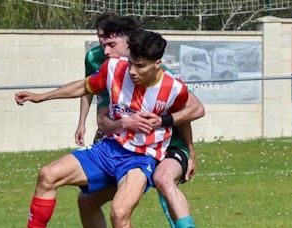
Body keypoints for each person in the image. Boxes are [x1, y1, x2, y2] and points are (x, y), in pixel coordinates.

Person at [15, 29, 191, 228]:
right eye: (131, 62)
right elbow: (83, 87)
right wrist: (41, 97)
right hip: (108, 148)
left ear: (157, 64)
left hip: (141, 158)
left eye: (140, 66)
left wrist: (190, 152)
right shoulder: (114, 68)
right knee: (48, 175)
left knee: (119, 213)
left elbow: (187, 116)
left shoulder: (175, 89)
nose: (132, 71)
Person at [76, 16, 204, 228]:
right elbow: (89, 92)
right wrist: (94, 126)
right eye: (101, 38)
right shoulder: (101, 63)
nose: (104, 47)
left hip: (168, 147)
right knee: (87, 200)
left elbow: (192, 110)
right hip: (130, 150)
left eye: (111, 42)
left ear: (129, 44)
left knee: (163, 179)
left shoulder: (158, 75)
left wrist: (190, 151)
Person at [75, 11, 120, 146]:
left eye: (108, 36)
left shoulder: (132, 55)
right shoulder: (92, 57)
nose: (104, 40)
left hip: (126, 120)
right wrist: (81, 123)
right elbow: (86, 89)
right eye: (100, 36)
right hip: (104, 120)